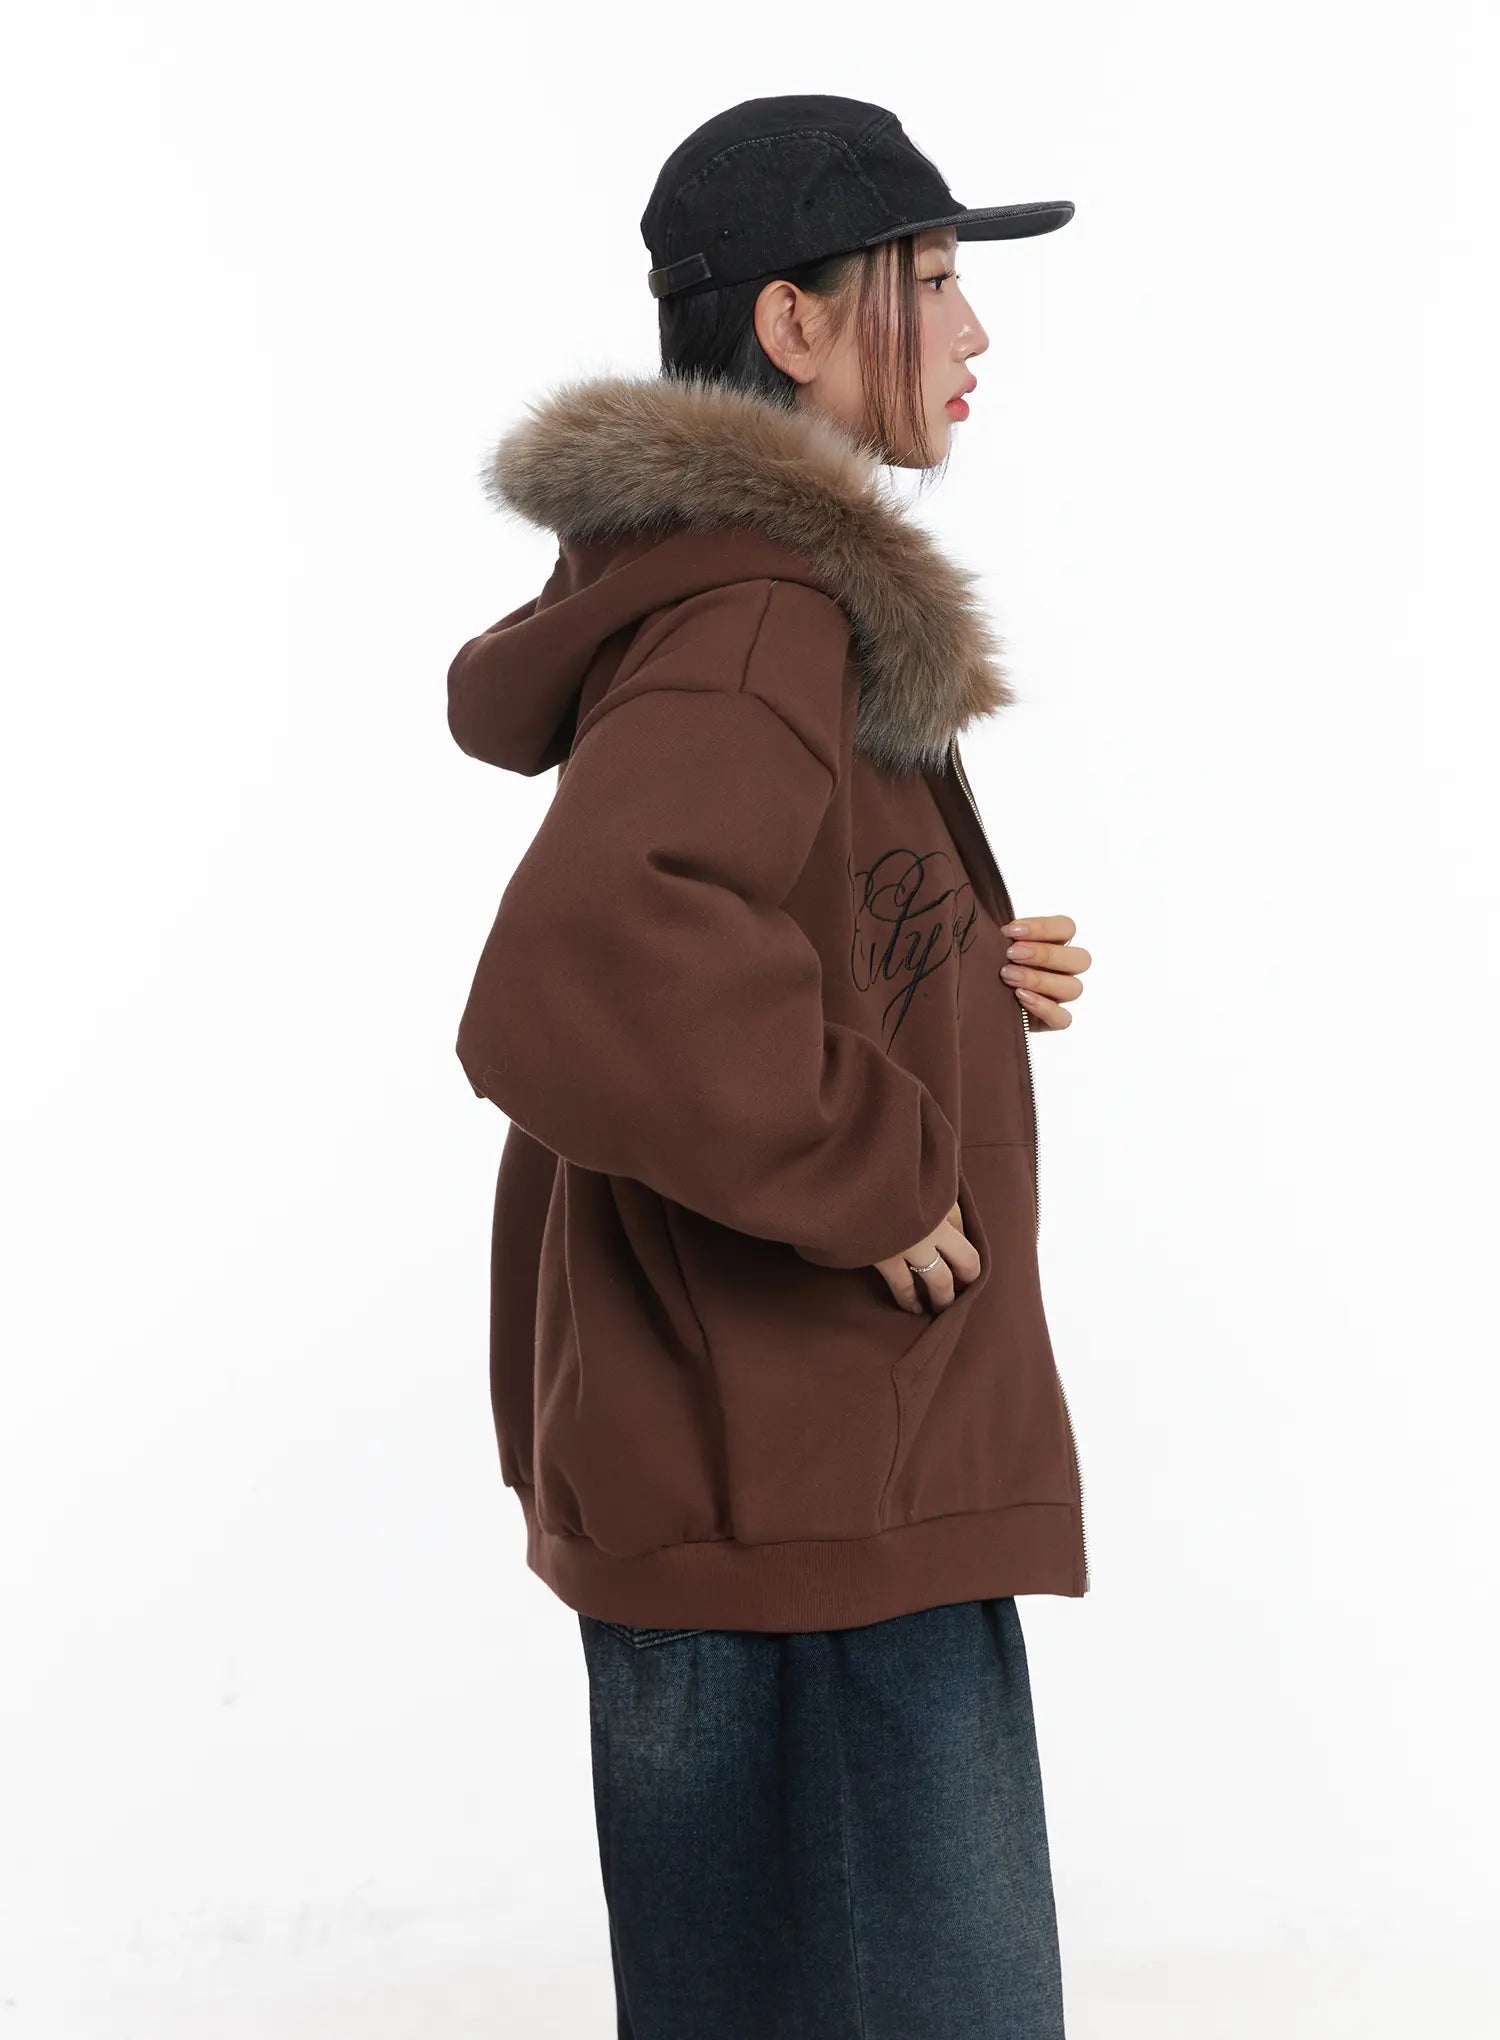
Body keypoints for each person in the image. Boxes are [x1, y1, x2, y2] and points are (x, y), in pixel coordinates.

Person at [449, 93, 1094, 2040]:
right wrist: (879, 1172)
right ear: (795, 326)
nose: (975, 331)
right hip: (818, 1474)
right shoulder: (761, 607)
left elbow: (729, 917)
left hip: (747, 1450)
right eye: (934, 280)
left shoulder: (720, 592)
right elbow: (592, 961)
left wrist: (950, 973)